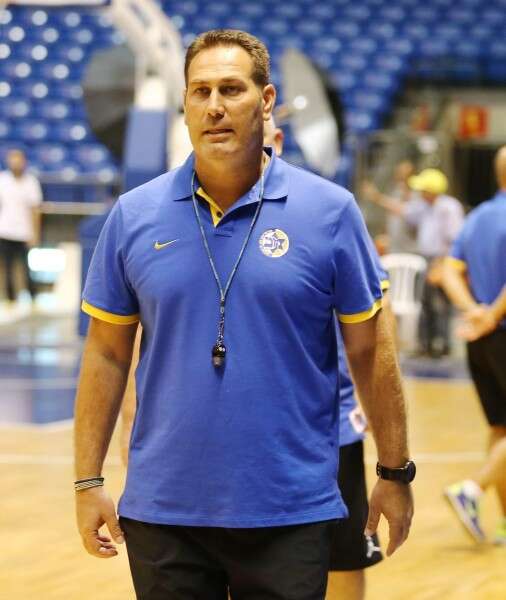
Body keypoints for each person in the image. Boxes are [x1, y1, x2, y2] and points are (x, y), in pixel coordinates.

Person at [74, 30, 414, 600]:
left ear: (267, 99)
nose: (214, 106)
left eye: (231, 89)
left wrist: (395, 471)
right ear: (184, 104)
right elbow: (106, 352)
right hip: (163, 511)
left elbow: (370, 349)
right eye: (200, 91)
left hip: (290, 509)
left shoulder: (331, 213)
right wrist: (88, 480)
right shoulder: (133, 216)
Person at [120, 116, 388, 600]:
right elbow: (144, 335)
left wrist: (392, 454)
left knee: (347, 557)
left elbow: (374, 338)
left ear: (276, 139)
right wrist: (130, 425)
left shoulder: (324, 213)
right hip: (198, 466)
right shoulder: (159, 215)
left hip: (325, 431)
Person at [441, 146, 506, 544]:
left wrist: (474, 311)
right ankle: (472, 489)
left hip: (481, 340)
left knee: (500, 428)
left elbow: (448, 272)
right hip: (500, 329)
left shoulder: (478, 216)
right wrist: (492, 314)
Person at [364, 168, 464, 357]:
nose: (420, 193)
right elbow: (402, 209)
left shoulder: (449, 207)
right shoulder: (424, 207)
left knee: (440, 304)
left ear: (432, 190)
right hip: (426, 259)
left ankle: (442, 345)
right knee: (425, 302)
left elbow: (455, 239)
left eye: (424, 189)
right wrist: (378, 198)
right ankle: (425, 345)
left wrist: (442, 264)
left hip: (442, 260)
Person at [0, 149, 42, 304]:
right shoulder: (3, 180)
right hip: (5, 231)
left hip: (24, 232)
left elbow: (35, 210)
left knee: (27, 268)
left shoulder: (31, 182)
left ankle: (33, 298)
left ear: (24, 161)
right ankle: (11, 299)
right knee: (7, 267)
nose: (15, 163)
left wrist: (35, 233)